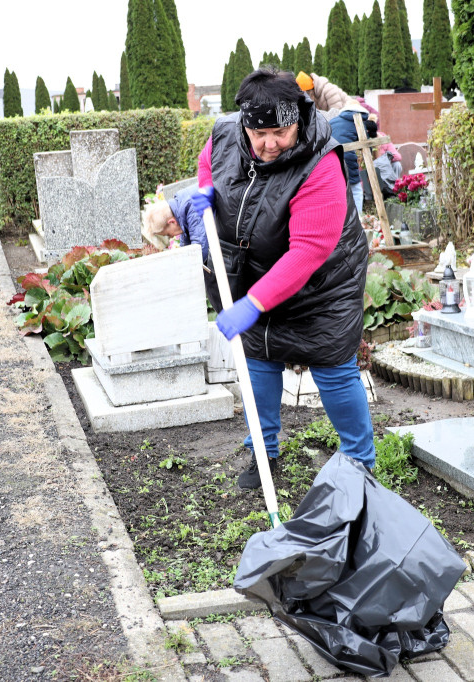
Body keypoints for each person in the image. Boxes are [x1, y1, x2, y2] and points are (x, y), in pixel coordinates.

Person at [192, 67, 374, 490]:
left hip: (323, 284)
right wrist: (206, 190)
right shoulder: (227, 134)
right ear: (245, 125)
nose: (270, 143)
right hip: (258, 270)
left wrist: (253, 305)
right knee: (259, 361)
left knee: (332, 366)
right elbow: (210, 162)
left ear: (298, 119)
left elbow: (307, 252)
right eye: (261, 134)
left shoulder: (321, 163)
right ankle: (263, 453)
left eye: (281, 131)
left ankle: (360, 465)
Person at [328, 98, 377, 216]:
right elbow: (366, 145)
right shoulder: (358, 121)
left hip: (330, 159)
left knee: (338, 190)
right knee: (356, 189)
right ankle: (358, 218)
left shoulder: (333, 121)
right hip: (347, 157)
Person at [140, 185, 209, 261]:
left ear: (172, 222)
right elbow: (186, 248)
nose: (171, 237)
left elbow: (199, 251)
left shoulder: (191, 207)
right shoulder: (180, 210)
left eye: (168, 234)